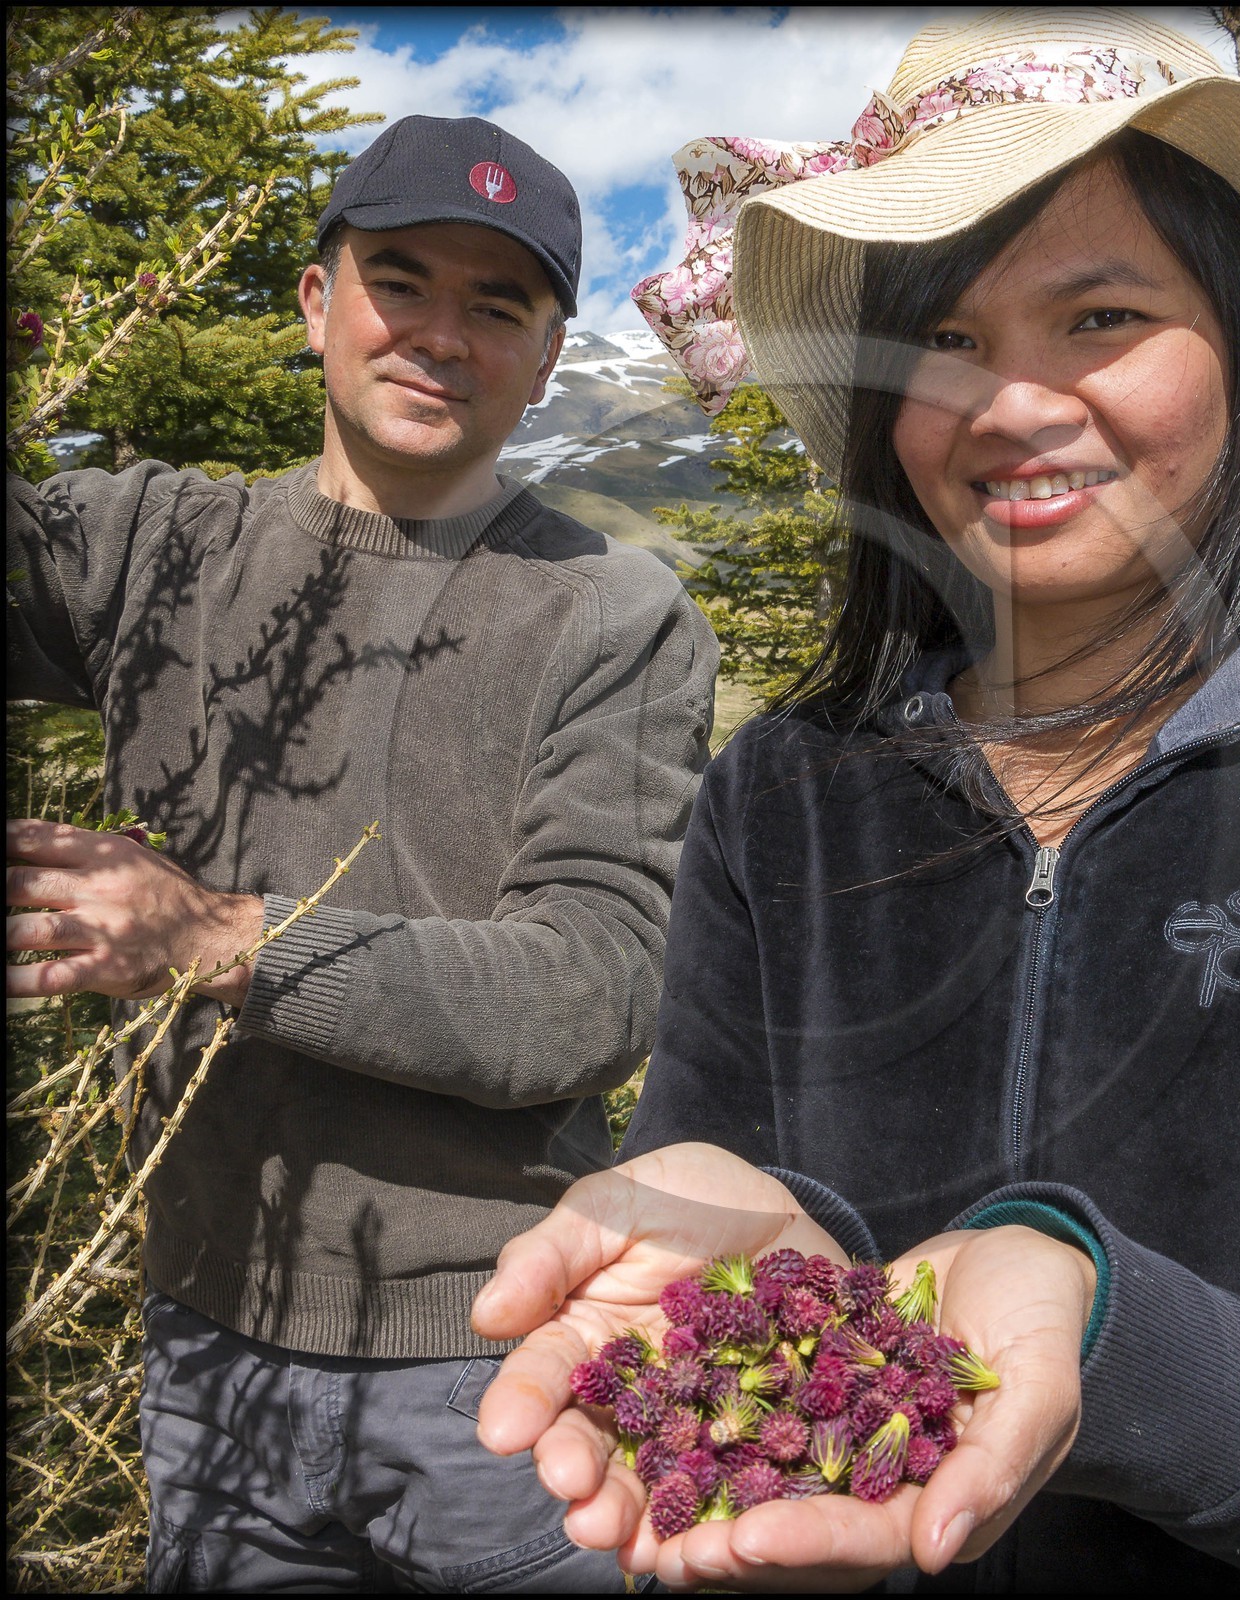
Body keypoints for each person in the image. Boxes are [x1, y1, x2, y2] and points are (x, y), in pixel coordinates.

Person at [464, 12, 1240, 1595]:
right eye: (944, 337)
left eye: (1101, 316)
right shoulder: (785, 796)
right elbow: (730, 1216)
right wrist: (749, 1257)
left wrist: (1094, 1316)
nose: (1011, 407)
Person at [6, 114, 717, 1592]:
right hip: (207, 1343)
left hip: (501, 1361)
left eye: (498, 306)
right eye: (400, 281)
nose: (441, 336)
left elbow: (593, 988)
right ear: (316, 299)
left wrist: (220, 939)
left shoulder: (614, 613)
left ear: (546, 354)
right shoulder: (152, 548)